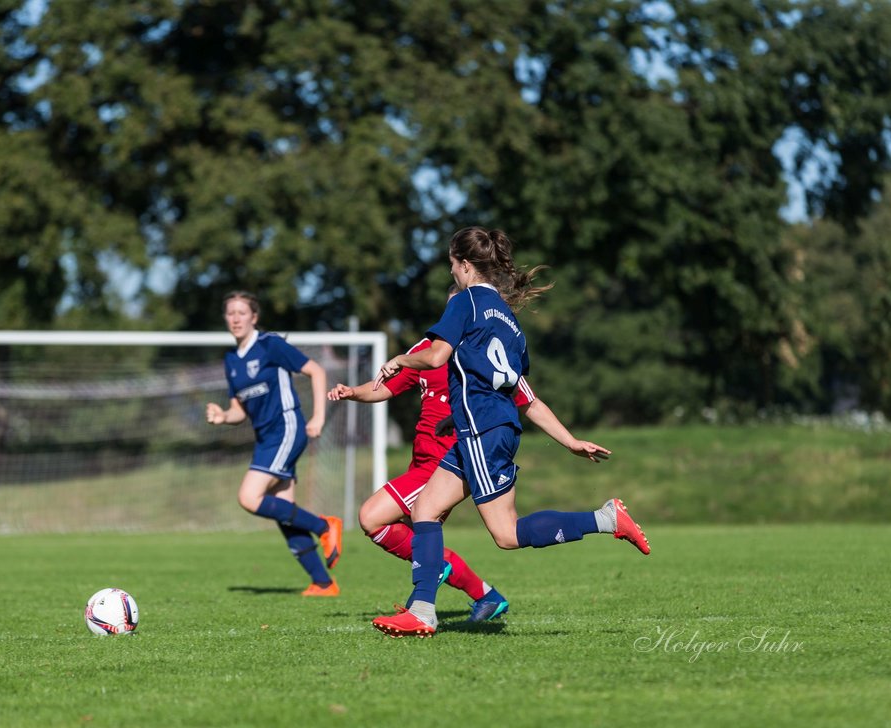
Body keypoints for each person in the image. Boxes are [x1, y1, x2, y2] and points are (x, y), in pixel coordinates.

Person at [368, 227, 650, 637]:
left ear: (464, 265)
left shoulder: (465, 302)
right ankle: (423, 610)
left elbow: (436, 356)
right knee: (424, 510)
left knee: (506, 533)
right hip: (487, 428)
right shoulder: (509, 321)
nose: (453, 273)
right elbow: (525, 396)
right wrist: (570, 440)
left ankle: (606, 519)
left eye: (452, 265)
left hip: (483, 430)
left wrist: (401, 360)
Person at [329, 333, 614, 623]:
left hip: (447, 464)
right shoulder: (426, 352)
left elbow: (529, 402)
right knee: (434, 536)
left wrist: (570, 441)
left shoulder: (484, 354)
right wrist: (352, 392)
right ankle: (483, 596)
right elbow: (385, 388)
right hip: (420, 463)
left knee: (372, 517)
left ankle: (424, 603)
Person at [205, 291, 344, 596]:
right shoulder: (231, 360)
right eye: (231, 313)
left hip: (287, 428)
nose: (236, 318)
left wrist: (318, 417)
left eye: (242, 312)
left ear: (254, 317)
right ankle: (323, 583)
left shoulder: (270, 344)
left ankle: (324, 526)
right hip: (266, 438)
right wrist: (222, 416)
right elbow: (239, 410)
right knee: (284, 510)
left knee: (249, 497)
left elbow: (316, 371)